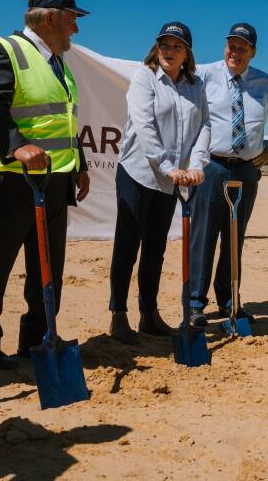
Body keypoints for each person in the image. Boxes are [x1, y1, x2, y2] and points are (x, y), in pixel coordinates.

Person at [0, 0, 90, 369]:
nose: (76, 29)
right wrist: (16, 145)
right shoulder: (6, 49)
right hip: (10, 181)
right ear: (51, 17)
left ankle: (36, 339)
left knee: (48, 269)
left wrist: (80, 162)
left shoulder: (57, 63)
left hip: (55, 181)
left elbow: (63, 120)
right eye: (72, 19)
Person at [108, 22, 211, 342]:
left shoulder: (195, 86)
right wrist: (168, 167)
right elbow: (145, 125)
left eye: (176, 47)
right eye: (164, 45)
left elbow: (204, 126)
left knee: (155, 249)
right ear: (157, 48)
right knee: (128, 246)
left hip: (172, 180)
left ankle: (149, 314)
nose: (169, 51)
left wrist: (196, 165)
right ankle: (119, 315)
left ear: (187, 54)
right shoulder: (144, 77)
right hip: (138, 172)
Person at [186, 23, 268, 326]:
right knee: (203, 235)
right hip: (211, 166)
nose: (235, 52)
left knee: (235, 236)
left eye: (242, 47)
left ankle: (229, 298)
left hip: (246, 170)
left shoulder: (267, 83)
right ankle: (195, 302)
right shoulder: (204, 75)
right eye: (231, 45)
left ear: (253, 52)